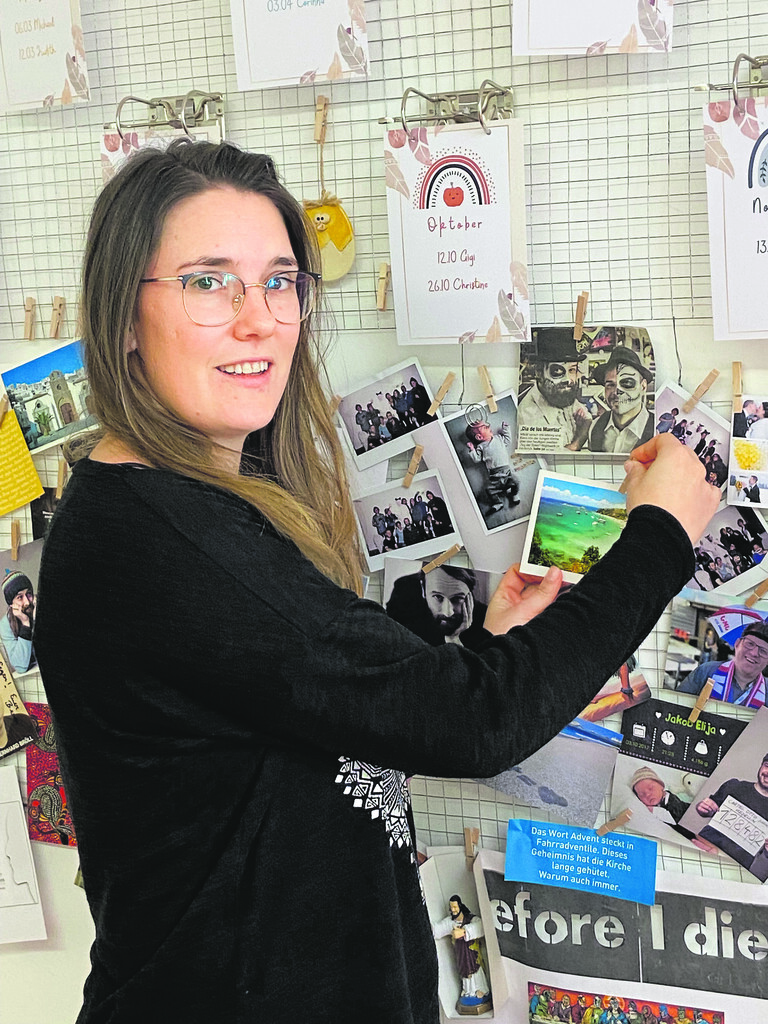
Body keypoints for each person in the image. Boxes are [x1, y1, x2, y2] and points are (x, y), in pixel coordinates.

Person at [33, 140, 718, 1024]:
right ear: (124, 316)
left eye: (280, 281)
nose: (260, 319)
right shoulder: (163, 535)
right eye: (209, 282)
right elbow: (478, 724)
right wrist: (661, 538)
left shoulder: (203, 514)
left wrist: (481, 650)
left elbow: (313, 718)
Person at [517, 329, 592, 449]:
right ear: (539, 372)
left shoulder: (560, 395)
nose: (568, 379)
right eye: (557, 371)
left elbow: (587, 418)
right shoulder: (529, 416)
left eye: (572, 370)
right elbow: (556, 461)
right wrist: (576, 444)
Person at [695, 753, 768, 870]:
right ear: (761, 765)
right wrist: (703, 807)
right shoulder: (734, 786)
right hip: (701, 849)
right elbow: (708, 809)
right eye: (767, 765)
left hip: (733, 868)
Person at [385, 565, 488, 647]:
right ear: (423, 589)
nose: (447, 612)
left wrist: (454, 640)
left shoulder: (484, 619)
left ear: (470, 593)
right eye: (438, 597)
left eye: (457, 599)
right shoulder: (403, 597)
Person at [678, 620, 768, 707]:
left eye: (763, 651)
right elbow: (675, 707)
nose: (754, 653)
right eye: (750, 644)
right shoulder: (706, 671)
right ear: (737, 644)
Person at [587, 347, 654, 454]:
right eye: (610, 385)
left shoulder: (657, 429)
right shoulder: (595, 427)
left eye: (627, 383)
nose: (617, 392)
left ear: (643, 386)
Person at [432, 895, 491, 1014]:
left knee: (475, 970)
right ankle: (468, 991)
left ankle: (482, 990)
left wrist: (464, 932)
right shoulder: (451, 922)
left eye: (455, 907)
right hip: (460, 954)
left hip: (472, 953)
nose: (453, 910)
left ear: (460, 906)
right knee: (464, 972)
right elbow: (438, 930)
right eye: (451, 907)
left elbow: (481, 927)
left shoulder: (471, 919)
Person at [465, 419, 520, 514]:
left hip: (507, 472)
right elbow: (477, 459)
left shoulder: (498, 438)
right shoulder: (481, 447)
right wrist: (472, 450)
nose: (489, 427)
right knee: (488, 490)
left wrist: (506, 429)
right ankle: (498, 503)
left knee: (516, 481)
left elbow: (508, 440)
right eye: (484, 427)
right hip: (494, 476)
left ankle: (514, 494)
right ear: (479, 437)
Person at [629, 765, 693, 838]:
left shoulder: (672, 800)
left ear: (661, 786)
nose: (647, 794)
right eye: (642, 794)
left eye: (651, 788)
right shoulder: (646, 810)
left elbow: (677, 820)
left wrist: (654, 810)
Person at [0, 571, 37, 674]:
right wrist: (25, 624)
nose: (27, 602)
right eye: (19, 597)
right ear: (11, 604)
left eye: (29, 594)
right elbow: (20, 666)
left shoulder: (39, 606)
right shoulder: (5, 625)